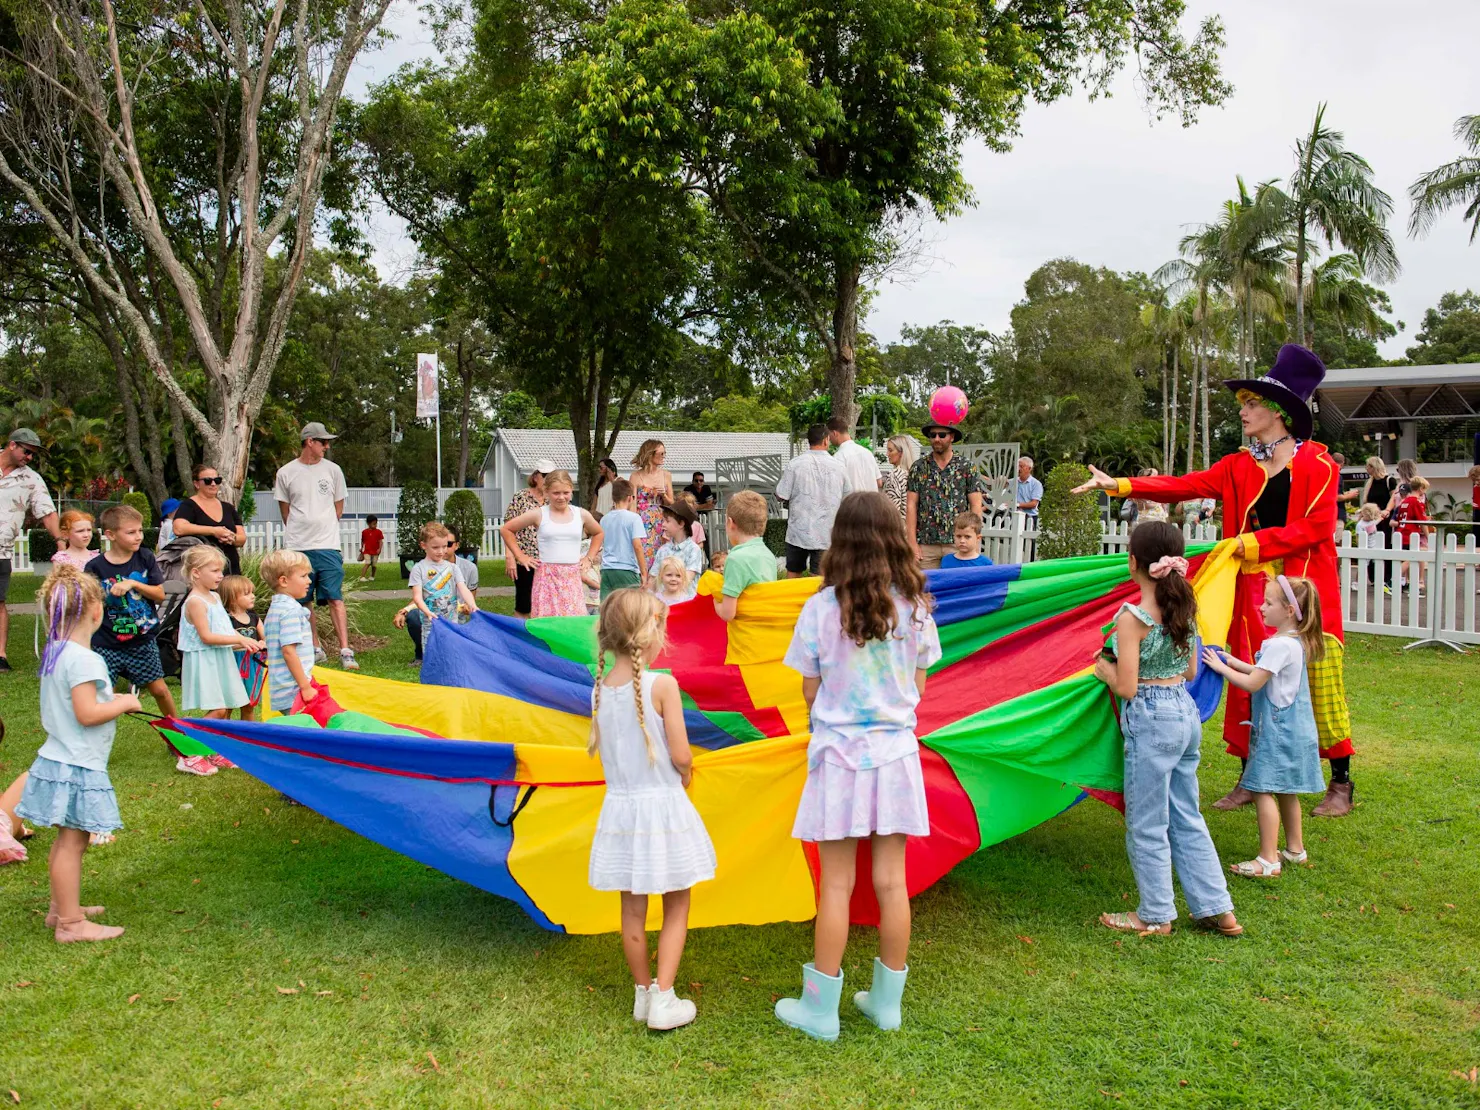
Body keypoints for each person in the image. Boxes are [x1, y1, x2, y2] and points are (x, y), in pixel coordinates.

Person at [1072, 344, 1355, 818]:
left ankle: (1341, 781)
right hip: (1250, 592)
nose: (1242, 411)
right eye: (1243, 403)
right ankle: (1250, 774)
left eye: (1251, 404)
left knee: (1319, 683)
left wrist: (1251, 544)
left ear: (1279, 411)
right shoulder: (1238, 465)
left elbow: (1317, 529)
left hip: (1306, 593)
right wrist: (1120, 485)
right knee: (1244, 674)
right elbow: (1183, 484)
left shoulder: (1319, 467)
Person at [774, 491, 940, 1040]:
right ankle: (886, 1003)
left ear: (839, 540)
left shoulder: (821, 608)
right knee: (893, 883)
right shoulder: (915, 607)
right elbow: (918, 685)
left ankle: (821, 1008)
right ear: (895, 538)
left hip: (839, 758)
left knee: (837, 885)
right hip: (895, 757)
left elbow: (808, 686)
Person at [1093, 523, 1240, 938]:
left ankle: (1156, 913)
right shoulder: (1185, 609)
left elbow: (1126, 686)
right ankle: (1217, 907)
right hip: (1184, 711)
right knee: (1186, 814)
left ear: (1133, 563)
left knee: (1147, 821)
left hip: (1152, 717)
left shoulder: (1132, 618)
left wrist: (1106, 671)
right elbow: (1192, 669)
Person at [587, 588, 715, 1031]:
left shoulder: (600, 691)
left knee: (632, 909)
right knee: (677, 902)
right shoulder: (663, 685)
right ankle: (665, 997)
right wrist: (687, 768)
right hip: (662, 811)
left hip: (622, 815)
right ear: (648, 634)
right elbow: (680, 753)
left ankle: (642, 993)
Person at [16, 565, 140, 942]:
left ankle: (61, 909)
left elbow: (78, 703)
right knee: (73, 843)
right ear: (96, 611)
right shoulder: (86, 659)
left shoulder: (57, 651)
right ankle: (71, 925)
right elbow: (87, 713)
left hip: (58, 758)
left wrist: (111, 698)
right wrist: (124, 704)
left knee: (68, 841)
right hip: (76, 764)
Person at [1201, 576, 1327, 878]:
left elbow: (1254, 682)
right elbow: (1265, 672)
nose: (1261, 607)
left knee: (1261, 789)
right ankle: (1295, 849)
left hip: (1277, 731)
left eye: (1268, 603)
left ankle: (1268, 859)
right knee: (1287, 790)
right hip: (1295, 730)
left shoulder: (1278, 645)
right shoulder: (1295, 642)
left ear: (1288, 610)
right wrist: (1234, 661)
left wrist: (1221, 668)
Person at [85, 505, 202, 774]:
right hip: (106, 642)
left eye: (139, 531)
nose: (138, 536)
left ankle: (177, 734)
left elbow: (160, 595)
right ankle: (91, 749)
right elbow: (89, 601)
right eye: (131, 532)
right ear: (110, 534)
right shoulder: (95, 566)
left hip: (141, 640)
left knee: (160, 690)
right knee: (100, 697)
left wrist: (134, 584)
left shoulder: (146, 558)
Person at [273, 424, 355, 670]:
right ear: (309, 441)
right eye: (323, 442)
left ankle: (345, 650)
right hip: (298, 547)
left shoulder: (333, 470)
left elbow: (338, 508)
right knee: (303, 599)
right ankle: (315, 647)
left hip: (328, 545)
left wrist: (323, 527)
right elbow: (285, 512)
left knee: (334, 598)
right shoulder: (286, 472)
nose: (326, 446)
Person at [178, 546, 260, 733]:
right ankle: (187, 743)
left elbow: (224, 628)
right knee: (219, 709)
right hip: (205, 660)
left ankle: (213, 747)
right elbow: (206, 637)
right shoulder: (196, 602)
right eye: (215, 571)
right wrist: (240, 640)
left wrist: (246, 640)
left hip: (220, 657)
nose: (221, 575)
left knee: (224, 706)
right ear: (196, 573)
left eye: (220, 570)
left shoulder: (214, 596)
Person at [501, 470, 603, 618]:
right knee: (546, 622)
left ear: (571, 492)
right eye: (556, 493)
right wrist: (520, 556)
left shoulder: (580, 514)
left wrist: (589, 558)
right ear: (547, 492)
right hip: (546, 579)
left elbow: (598, 533)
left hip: (572, 579)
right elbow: (507, 529)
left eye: (565, 492)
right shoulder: (539, 514)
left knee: (572, 623)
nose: (561, 497)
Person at [0, 428, 61, 671]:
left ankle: (0, 656)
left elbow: (46, 511)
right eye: (27, 452)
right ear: (12, 445)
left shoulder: (31, 479)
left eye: (33, 455)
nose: (29, 458)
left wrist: (60, 541)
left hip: (1, 551)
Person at [906, 417, 985, 570]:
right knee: (924, 590)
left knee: (959, 590)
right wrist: (912, 542)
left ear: (952, 437)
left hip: (958, 543)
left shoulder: (966, 467)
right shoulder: (919, 467)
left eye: (942, 435)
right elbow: (911, 505)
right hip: (925, 545)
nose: (937, 439)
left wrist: (974, 542)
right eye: (932, 435)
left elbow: (976, 505)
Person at [776, 424, 849, 578]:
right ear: (826, 440)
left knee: (793, 575)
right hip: (826, 534)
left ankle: (794, 602)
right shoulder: (839, 466)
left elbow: (781, 494)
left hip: (798, 532)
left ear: (809, 440)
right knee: (819, 580)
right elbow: (848, 497)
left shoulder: (795, 464)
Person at [262, 549, 318, 716]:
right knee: (308, 734)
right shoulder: (290, 611)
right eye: (303, 576)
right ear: (284, 581)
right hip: (293, 690)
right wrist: (305, 687)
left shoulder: (276, 608)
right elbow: (289, 651)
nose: (309, 581)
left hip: (283, 688)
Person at [409, 521, 479, 653]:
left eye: (444, 546)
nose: (441, 551)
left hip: (452, 624)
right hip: (431, 626)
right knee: (433, 659)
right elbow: (417, 598)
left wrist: (472, 604)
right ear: (423, 545)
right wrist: (428, 613)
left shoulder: (453, 568)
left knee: (452, 656)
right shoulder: (419, 569)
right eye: (435, 547)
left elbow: (463, 589)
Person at [172, 464, 247, 576]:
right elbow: (179, 528)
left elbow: (242, 538)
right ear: (196, 484)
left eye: (217, 480)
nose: (213, 484)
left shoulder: (228, 507)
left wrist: (231, 537)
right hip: (204, 569)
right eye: (207, 480)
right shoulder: (189, 505)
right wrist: (214, 531)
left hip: (231, 566)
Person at [713, 490, 775, 623]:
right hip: (766, 627)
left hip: (746, 633)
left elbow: (728, 614)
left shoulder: (735, 559)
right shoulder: (768, 555)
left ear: (730, 523)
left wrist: (715, 602)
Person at [504, 462, 551, 618]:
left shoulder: (555, 499)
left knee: (545, 603)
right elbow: (508, 527)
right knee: (524, 604)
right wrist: (510, 557)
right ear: (536, 476)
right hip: (525, 558)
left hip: (549, 560)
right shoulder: (521, 497)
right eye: (545, 476)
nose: (548, 479)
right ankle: (520, 639)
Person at [219, 575, 265, 721]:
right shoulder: (226, 619)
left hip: (251, 664)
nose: (252, 596)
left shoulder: (254, 618)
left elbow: (265, 637)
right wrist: (244, 643)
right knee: (228, 704)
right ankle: (224, 734)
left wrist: (263, 644)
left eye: (252, 592)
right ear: (232, 598)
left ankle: (247, 735)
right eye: (247, 594)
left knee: (248, 704)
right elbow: (223, 641)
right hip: (232, 663)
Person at [597, 479, 647, 598]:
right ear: (630, 498)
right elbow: (637, 546)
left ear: (613, 498)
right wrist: (644, 572)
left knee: (607, 608)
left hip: (607, 569)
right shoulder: (634, 518)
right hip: (626, 568)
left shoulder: (604, 519)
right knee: (629, 608)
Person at [629, 439, 675, 569]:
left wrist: (663, 495)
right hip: (642, 521)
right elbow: (632, 504)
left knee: (664, 556)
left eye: (664, 453)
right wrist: (632, 525)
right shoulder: (635, 476)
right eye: (660, 453)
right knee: (644, 555)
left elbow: (671, 503)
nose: (663, 457)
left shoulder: (666, 475)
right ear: (650, 454)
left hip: (661, 521)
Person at [1394, 475, 1434, 595]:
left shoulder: (1404, 501)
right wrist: (1428, 536)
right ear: (1421, 488)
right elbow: (1422, 522)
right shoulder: (1416, 502)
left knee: (1407, 558)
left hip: (1401, 532)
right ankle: (1393, 579)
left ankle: (1406, 582)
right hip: (1411, 534)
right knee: (1412, 558)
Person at [649, 500, 704, 587]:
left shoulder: (693, 549)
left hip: (685, 600)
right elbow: (653, 580)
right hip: (662, 600)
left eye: (667, 521)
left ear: (681, 523)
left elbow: (687, 579)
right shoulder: (663, 550)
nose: (663, 525)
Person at [827, 416, 882, 493]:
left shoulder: (838, 457)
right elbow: (879, 482)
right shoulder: (867, 453)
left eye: (829, 435)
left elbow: (835, 487)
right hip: (872, 502)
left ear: (834, 433)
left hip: (852, 503)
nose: (829, 439)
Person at [881, 435, 919, 521]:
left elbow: (891, 510)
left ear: (901, 453)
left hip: (897, 528)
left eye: (890, 450)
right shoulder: (915, 475)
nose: (887, 454)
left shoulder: (894, 475)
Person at [360, 515, 384, 580]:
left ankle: (372, 576)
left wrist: (379, 548)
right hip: (367, 551)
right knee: (367, 563)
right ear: (368, 523)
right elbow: (363, 541)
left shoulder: (378, 532)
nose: (375, 525)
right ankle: (362, 577)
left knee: (374, 564)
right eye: (373, 524)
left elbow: (380, 541)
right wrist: (362, 548)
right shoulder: (364, 532)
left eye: (376, 523)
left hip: (375, 551)